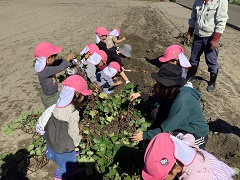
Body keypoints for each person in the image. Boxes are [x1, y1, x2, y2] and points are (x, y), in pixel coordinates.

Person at [130, 63, 209, 148]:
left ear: (167, 84)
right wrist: (142, 95)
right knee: (157, 113)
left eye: (159, 83)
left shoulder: (182, 100)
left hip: (195, 134)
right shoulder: (174, 91)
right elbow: (161, 101)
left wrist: (145, 135)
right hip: (181, 126)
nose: (157, 85)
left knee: (167, 148)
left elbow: (168, 127)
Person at [43, 75, 92, 180]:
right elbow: (73, 132)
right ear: (78, 94)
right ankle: (60, 175)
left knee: (54, 149)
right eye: (84, 95)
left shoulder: (58, 104)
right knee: (68, 161)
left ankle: (50, 154)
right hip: (63, 143)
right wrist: (77, 142)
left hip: (52, 137)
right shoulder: (73, 112)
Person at [142, 133, 236, 180]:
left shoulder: (194, 177)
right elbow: (189, 136)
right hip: (206, 161)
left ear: (177, 169)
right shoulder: (182, 147)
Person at [186, 0, 228, 92]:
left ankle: (212, 82)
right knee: (193, 57)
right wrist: (190, 32)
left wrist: (215, 40)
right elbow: (193, 17)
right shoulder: (198, 1)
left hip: (210, 36)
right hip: (198, 34)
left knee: (211, 60)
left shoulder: (221, 1)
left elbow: (221, 21)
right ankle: (191, 75)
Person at [34, 42, 75, 109]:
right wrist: (67, 60)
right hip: (50, 98)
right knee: (54, 112)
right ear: (48, 59)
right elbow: (59, 68)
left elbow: (57, 63)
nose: (55, 58)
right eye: (54, 57)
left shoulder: (47, 65)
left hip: (55, 94)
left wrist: (64, 60)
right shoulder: (45, 70)